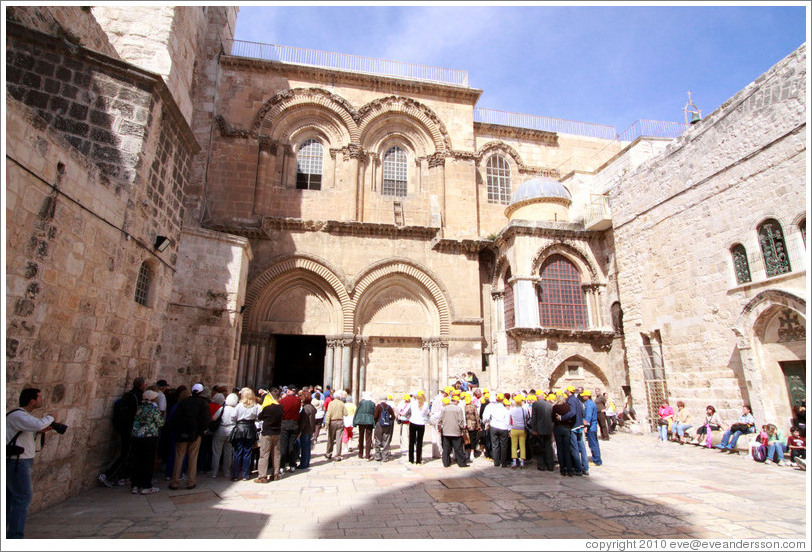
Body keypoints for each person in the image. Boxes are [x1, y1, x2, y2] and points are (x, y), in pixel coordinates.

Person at [6, 388, 55, 539]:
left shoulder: (23, 417)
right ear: (32, 401)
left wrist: (39, 432)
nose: (41, 400)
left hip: (21, 461)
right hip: (17, 463)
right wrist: (50, 417)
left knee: (10, 497)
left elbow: (31, 430)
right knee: (23, 497)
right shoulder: (18, 415)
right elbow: (38, 424)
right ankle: (15, 536)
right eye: (39, 397)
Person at [98, 376, 146, 487]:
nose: (145, 385)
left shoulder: (128, 394)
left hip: (124, 427)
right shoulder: (138, 396)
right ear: (141, 385)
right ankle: (107, 476)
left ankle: (123, 477)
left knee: (128, 453)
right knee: (126, 454)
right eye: (144, 384)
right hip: (131, 429)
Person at [169, 383, 211, 490]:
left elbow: (176, 418)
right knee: (193, 457)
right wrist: (201, 430)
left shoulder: (183, 402)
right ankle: (191, 481)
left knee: (179, 456)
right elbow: (206, 419)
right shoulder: (203, 403)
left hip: (182, 432)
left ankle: (174, 481)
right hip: (195, 433)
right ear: (201, 392)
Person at [130, 390, 164, 495]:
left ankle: (135, 485)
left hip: (136, 437)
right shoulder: (154, 409)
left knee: (137, 460)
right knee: (147, 461)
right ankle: (146, 486)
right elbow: (160, 422)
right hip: (149, 437)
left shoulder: (139, 408)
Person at [230, 387, 260, 481]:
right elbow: (258, 417)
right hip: (250, 429)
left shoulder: (239, 406)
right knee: (247, 452)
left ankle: (235, 475)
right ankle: (245, 475)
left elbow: (233, 416)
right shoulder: (255, 406)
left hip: (240, 428)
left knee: (237, 452)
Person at [255, 388, 283, 483]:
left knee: (264, 454)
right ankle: (275, 474)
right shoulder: (280, 407)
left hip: (267, 433)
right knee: (276, 454)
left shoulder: (267, 408)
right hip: (277, 432)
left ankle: (262, 476)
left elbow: (259, 417)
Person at [211, 392, 238, 478]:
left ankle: (214, 473)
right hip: (231, 430)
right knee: (228, 452)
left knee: (216, 452)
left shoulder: (222, 409)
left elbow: (214, 418)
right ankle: (226, 472)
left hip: (221, 429)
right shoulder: (236, 410)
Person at [439, 396, 469, 468]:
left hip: (446, 431)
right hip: (456, 432)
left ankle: (446, 463)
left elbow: (440, 419)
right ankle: (461, 463)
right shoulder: (458, 409)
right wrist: (461, 429)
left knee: (446, 449)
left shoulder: (444, 409)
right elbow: (460, 421)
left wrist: (439, 428)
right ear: (456, 401)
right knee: (458, 449)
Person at [483, 393, 511, 468]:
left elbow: (486, 417)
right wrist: (509, 430)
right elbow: (507, 420)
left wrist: (486, 423)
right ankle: (504, 463)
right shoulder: (505, 409)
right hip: (503, 428)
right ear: (502, 400)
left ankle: (496, 462)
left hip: (494, 427)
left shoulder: (492, 408)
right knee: (504, 446)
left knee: (495, 445)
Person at [278, 386, 302, 473]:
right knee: (292, 445)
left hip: (284, 424)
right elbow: (298, 409)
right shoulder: (298, 400)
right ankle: (292, 465)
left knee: (283, 445)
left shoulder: (282, 401)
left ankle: (282, 466)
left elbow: (280, 411)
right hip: (294, 424)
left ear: (290, 391)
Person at [530, 393, 555, 471]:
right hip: (548, 428)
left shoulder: (535, 404)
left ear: (538, 397)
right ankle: (550, 465)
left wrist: (534, 429)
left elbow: (534, 417)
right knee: (548, 446)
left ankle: (541, 465)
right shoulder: (549, 405)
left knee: (540, 447)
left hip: (539, 429)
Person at [552, 394, 575, 476]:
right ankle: (569, 469)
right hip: (566, 428)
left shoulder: (555, 407)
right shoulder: (568, 407)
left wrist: (559, 418)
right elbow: (571, 417)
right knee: (567, 449)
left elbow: (552, 418)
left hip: (558, 428)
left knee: (560, 449)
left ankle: (562, 469)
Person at [405, 392, 429, 464]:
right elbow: (426, 413)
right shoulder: (426, 404)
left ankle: (411, 459)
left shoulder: (413, 402)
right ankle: (418, 460)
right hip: (421, 423)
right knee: (419, 442)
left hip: (413, 422)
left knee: (411, 441)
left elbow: (408, 410)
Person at [325, 390, 348, 461]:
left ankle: (329, 453)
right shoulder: (342, 403)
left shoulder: (331, 403)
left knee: (330, 438)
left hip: (332, 422)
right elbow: (346, 413)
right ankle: (338, 455)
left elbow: (328, 414)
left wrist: (326, 424)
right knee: (339, 439)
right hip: (340, 422)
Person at [372, 395, 396, 462]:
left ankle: (377, 456)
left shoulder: (379, 406)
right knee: (386, 440)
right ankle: (384, 456)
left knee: (377, 439)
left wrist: (376, 422)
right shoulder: (389, 407)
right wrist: (389, 420)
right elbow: (393, 417)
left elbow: (375, 416)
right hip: (387, 425)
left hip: (379, 424)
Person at [582, 390, 602, 466]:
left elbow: (588, 416)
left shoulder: (589, 404)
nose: (583, 396)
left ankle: (596, 460)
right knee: (594, 443)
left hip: (591, 427)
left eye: (584, 395)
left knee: (593, 443)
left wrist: (586, 426)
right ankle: (597, 459)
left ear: (587, 396)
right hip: (593, 426)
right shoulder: (590, 403)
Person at [353, 391, 376, 460]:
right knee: (368, 438)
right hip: (369, 421)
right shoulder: (372, 403)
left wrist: (354, 421)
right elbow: (374, 412)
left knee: (361, 437)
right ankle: (367, 454)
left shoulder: (361, 403)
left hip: (361, 421)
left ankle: (360, 454)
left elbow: (357, 411)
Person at [508, 395, 528, 469]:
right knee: (522, 446)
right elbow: (526, 418)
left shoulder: (512, 410)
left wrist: (509, 429)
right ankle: (522, 462)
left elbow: (509, 419)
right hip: (522, 429)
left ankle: (514, 462)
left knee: (514, 446)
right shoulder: (523, 410)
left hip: (514, 429)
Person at [298, 391, 317, 469]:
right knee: (308, 447)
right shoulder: (311, 407)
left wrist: (299, 430)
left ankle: (304, 464)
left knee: (304, 447)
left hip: (305, 430)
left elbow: (303, 421)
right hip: (310, 430)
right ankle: (306, 462)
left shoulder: (306, 408)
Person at [463, 394, 481, 462]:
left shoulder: (464, 407)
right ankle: (472, 453)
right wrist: (478, 426)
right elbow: (477, 416)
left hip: (466, 425)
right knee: (473, 439)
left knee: (467, 439)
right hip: (473, 425)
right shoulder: (473, 407)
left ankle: (467, 453)